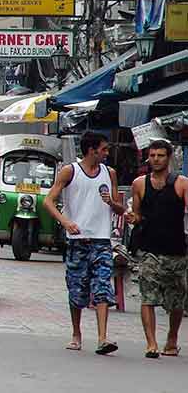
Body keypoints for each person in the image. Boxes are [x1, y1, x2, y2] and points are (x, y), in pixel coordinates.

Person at [43, 132, 125, 355]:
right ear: (92, 150)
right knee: (77, 290)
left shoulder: (110, 173)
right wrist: (66, 222)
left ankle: (102, 338)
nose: (107, 153)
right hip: (77, 241)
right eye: (104, 149)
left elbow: (120, 208)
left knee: (102, 288)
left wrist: (113, 203)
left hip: (101, 241)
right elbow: (48, 200)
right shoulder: (70, 171)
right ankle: (76, 333)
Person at [127, 140, 188, 359]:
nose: (155, 159)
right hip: (148, 250)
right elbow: (137, 216)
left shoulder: (182, 184)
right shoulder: (139, 184)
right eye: (152, 155)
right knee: (147, 297)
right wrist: (131, 217)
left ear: (169, 157)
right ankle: (151, 343)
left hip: (176, 251)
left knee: (176, 302)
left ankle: (171, 339)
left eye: (160, 155)